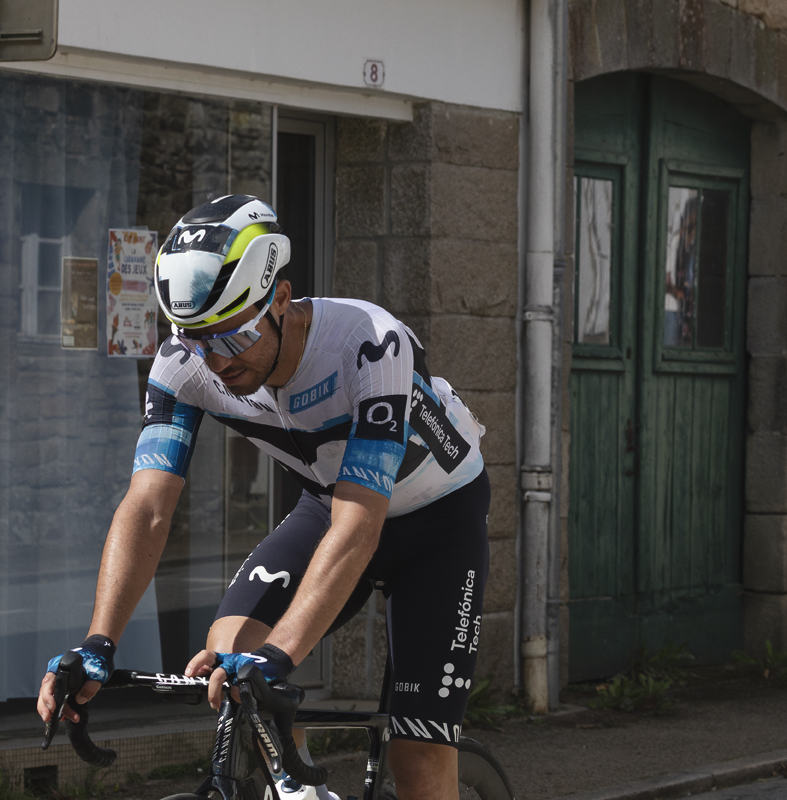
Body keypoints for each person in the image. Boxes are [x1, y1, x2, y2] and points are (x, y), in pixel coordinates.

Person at [37, 195, 490, 800]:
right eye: (196, 339)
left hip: (438, 522)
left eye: (233, 334)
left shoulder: (371, 343)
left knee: (420, 757)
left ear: (280, 298)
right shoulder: (186, 362)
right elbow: (147, 508)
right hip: (330, 503)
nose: (215, 359)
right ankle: (299, 788)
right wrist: (98, 642)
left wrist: (282, 654)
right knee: (232, 652)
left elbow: (361, 525)